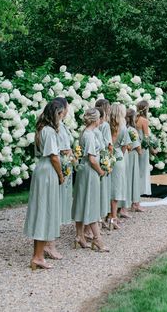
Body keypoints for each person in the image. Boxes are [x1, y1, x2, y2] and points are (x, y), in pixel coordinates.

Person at [23, 101, 64, 271]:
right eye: (61, 114)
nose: (62, 117)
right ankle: (37, 257)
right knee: (44, 211)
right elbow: (54, 157)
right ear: (56, 114)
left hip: (41, 169)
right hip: (48, 171)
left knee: (42, 209)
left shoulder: (40, 129)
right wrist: (61, 175)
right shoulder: (49, 131)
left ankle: (38, 255)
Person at [72, 108, 108, 252]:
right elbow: (92, 159)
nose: (100, 120)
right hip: (90, 171)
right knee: (91, 203)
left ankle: (79, 235)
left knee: (82, 201)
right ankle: (97, 240)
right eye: (99, 117)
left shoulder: (84, 133)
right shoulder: (90, 136)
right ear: (95, 120)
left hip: (83, 170)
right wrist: (101, 172)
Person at [51, 96, 72, 259]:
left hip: (64, 164)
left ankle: (51, 240)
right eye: (67, 107)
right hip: (58, 166)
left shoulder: (60, 125)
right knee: (54, 203)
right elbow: (59, 150)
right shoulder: (54, 127)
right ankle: (49, 243)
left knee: (59, 202)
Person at [109, 103, 130, 230]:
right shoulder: (123, 128)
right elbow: (124, 147)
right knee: (116, 189)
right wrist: (119, 156)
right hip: (117, 157)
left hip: (106, 157)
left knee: (107, 187)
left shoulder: (106, 126)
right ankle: (113, 217)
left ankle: (106, 217)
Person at [95, 99, 113, 226]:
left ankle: (97, 218)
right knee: (103, 188)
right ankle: (101, 217)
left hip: (95, 156)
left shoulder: (93, 124)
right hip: (103, 157)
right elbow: (108, 144)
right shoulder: (105, 125)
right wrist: (111, 158)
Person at [135, 100, 156, 198]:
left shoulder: (134, 119)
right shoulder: (144, 121)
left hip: (135, 148)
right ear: (146, 109)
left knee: (136, 171)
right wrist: (152, 150)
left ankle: (134, 194)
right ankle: (139, 194)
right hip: (143, 149)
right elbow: (146, 138)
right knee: (142, 172)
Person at [124, 108, 142, 212]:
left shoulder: (123, 128)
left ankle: (129, 202)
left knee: (127, 178)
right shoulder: (132, 130)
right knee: (133, 178)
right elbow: (137, 146)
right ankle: (135, 203)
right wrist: (140, 153)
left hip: (127, 155)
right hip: (133, 155)